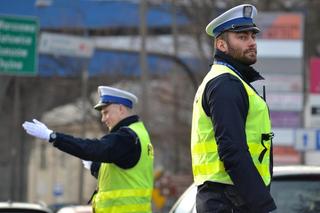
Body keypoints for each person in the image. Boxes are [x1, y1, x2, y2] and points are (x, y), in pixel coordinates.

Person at [190, 4, 277, 213]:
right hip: (229, 202)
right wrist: (264, 206)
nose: (251, 43)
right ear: (221, 44)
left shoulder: (231, 81)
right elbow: (232, 150)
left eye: (252, 36)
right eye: (242, 37)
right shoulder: (225, 84)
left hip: (230, 200)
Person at [22, 86, 154, 213]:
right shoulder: (138, 134)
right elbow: (125, 175)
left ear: (121, 109)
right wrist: (95, 167)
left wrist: (52, 136)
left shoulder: (126, 137)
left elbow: (93, 148)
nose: (103, 119)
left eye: (106, 113)